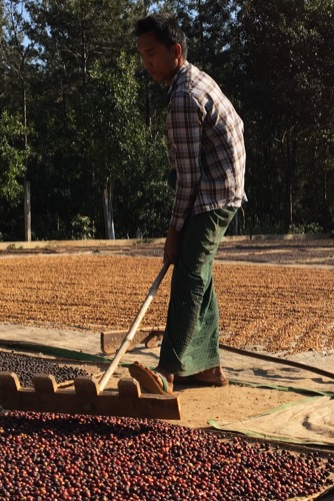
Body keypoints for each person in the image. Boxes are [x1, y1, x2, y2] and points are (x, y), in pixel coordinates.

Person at [130, 13, 246, 394]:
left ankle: (167, 371)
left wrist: (173, 231)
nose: (147, 64)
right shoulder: (196, 79)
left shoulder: (183, 96)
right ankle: (209, 367)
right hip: (223, 186)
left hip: (213, 193)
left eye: (151, 55)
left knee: (189, 274)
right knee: (201, 272)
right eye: (142, 56)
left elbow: (189, 178)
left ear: (175, 51)